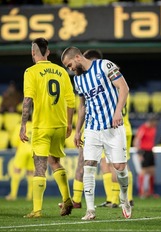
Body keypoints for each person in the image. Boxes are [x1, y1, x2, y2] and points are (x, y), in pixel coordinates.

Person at [61, 47, 131, 220]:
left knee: (120, 168)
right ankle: (90, 210)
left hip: (113, 127)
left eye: (70, 65)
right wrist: (78, 131)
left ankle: (124, 198)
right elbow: (83, 107)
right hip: (92, 129)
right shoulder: (78, 80)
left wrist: (117, 112)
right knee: (89, 166)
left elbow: (124, 88)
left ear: (78, 57)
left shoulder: (105, 66)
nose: (70, 69)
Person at [19, 38, 75, 218]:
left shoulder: (31, 72)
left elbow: (27, 100)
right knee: (55, 162)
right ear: (48, 52)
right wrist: (69, 124)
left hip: (42, 125)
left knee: (40, 166)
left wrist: (22, 125)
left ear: (33, 53)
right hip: (59, 125)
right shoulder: (61, 71)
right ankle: (67, 199)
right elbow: (71, 100)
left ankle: (36, 210)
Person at [5, 121, 34, 201]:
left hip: (22, 150)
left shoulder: (20, 126)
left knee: (16, 170)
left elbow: (14, 140)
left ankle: (13, 195)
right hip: (32, 150)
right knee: (31, 172)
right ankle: (29, 196)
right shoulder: (35, 125)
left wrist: (16, 146)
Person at [133, 116, 159, 199]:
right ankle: (142, 192)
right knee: (143, 172)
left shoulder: (153, 129)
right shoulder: (143, 128)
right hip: (143, 151)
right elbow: (136, 141)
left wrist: (153, 151)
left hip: (150, 151)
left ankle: (150, 192)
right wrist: (139, 154)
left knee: (152, 171)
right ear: (151, 122)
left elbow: (151, 141)